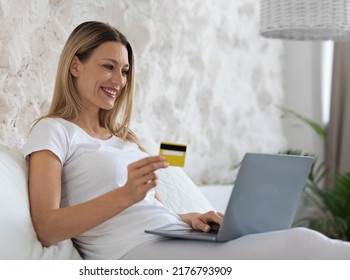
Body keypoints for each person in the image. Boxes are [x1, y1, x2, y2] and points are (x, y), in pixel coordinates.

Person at [23, 21, 350, 260]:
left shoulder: (126, 141)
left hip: (173, 240)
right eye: (108, 67)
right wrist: (125, 194)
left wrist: (188, 218)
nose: (118, 81)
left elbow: (150, 211)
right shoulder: (54, 131)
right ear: (75, 65)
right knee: (299, 245)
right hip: (134, 254)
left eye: (124, 71)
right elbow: (47, 226)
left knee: (291, 244)